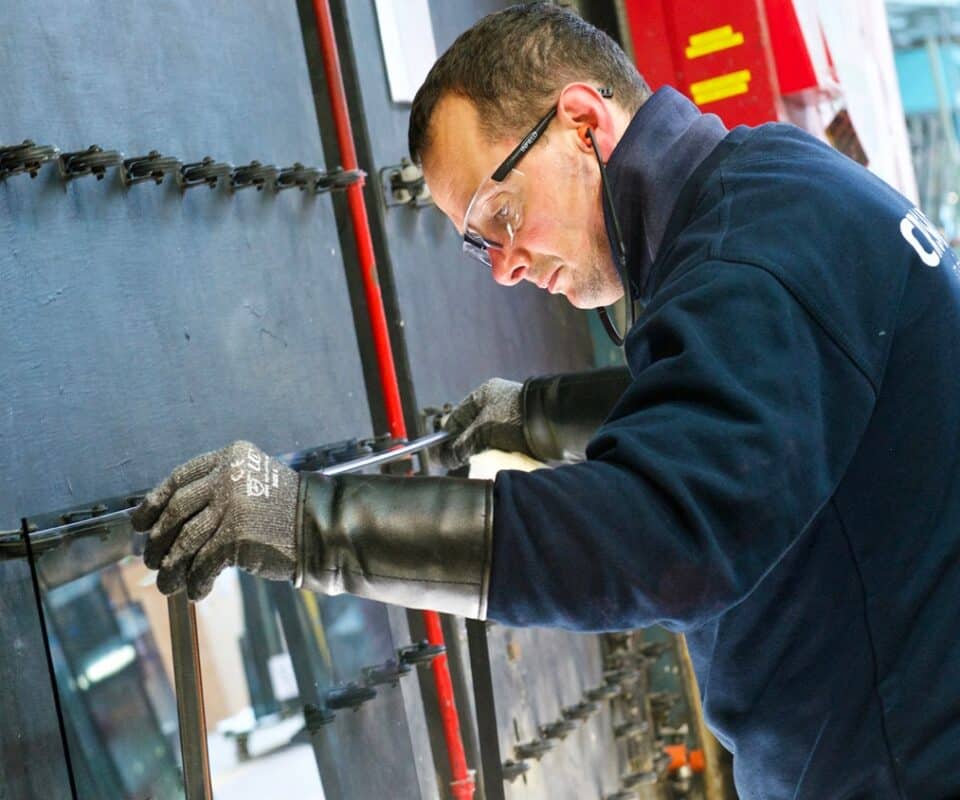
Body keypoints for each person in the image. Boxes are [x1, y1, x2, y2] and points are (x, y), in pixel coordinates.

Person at [131, 4, 960, 797]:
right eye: (478, 243)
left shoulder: (752, 254)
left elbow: (660, 535)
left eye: (503, 213)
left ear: (582, 123)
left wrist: (309, 524)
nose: (503, 267)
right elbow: (732, 414)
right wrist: (533, 412)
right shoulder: (767, 192)